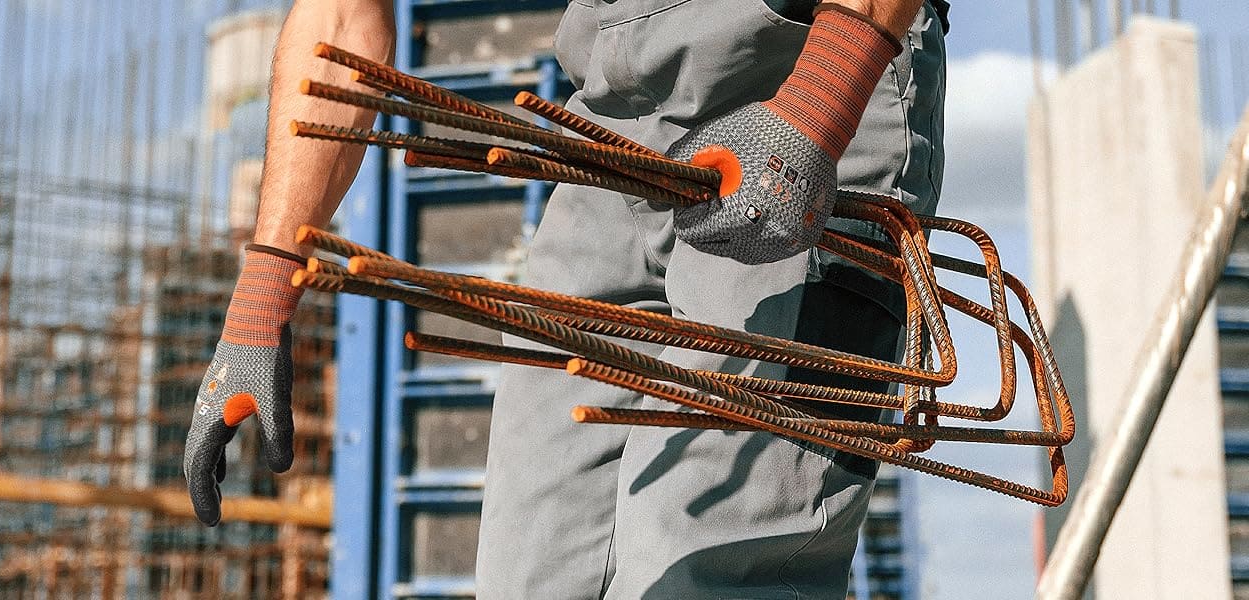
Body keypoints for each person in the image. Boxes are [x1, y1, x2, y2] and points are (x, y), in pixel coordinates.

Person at [183, 0, 948, 597]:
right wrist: (261, 299)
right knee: (533, 571)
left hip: (808, 71)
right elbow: (339, 18)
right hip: (614, 112)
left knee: (704, 570)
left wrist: (823, 97)